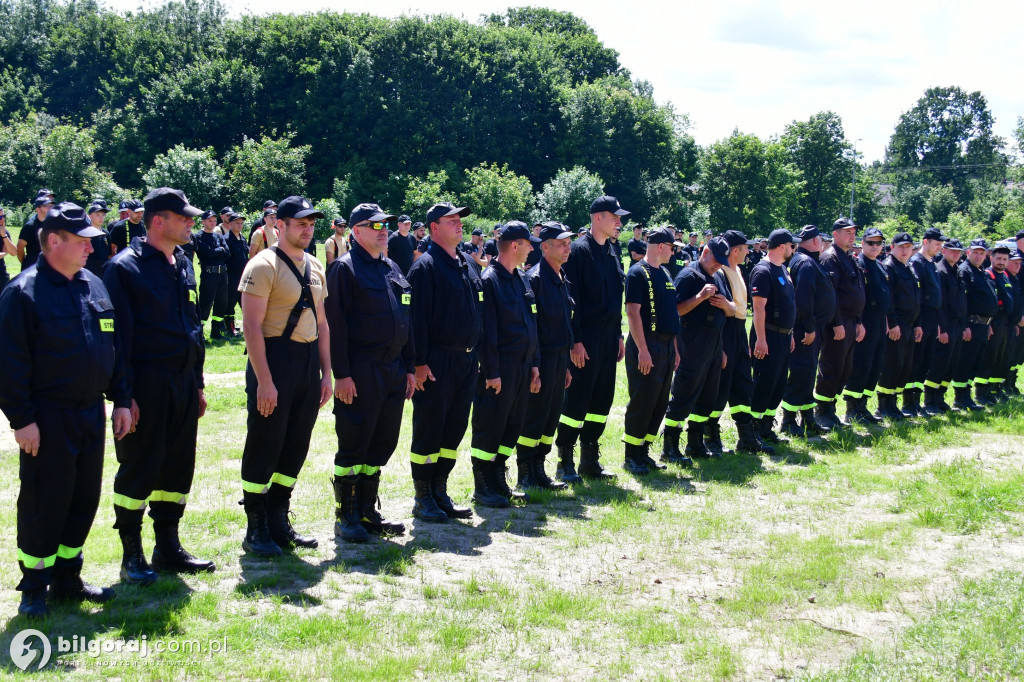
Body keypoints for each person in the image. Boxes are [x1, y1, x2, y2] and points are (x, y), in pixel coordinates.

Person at [0, 202, 133, 618]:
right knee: (45, 500)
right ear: (54, 241)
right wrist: (22, 421)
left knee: (82, 498)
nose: (92, 248)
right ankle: (34, 585)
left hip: (90, 413)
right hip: (47, 415)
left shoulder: (93, 284)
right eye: (83, 242)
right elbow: (10, 363)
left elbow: (113, 347)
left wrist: (123, 399)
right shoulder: (23, 293)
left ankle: (68, 577)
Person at [103, 188, 214, 584]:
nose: (191, 223)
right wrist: (123, 396)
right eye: (183, 217)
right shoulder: (124, 268)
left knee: (177, 465)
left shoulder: (182, 262)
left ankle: (167, 545)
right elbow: (119, 341)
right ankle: (131, 553)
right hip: (146, 384)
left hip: (182, 381)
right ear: (158, 221)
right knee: (140, 464)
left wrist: (197, 383)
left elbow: (192, 326)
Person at [237, 196, 330, 556]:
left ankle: (279, 518)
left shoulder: (315, 265)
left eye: (311, 224)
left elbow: (323, 323)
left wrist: (326, 374)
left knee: (295, 443)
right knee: (265, 441)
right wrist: (264, 380)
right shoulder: (263, 266)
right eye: (300, 223)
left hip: (307, 361)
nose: (307, 230)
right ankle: (256, 526)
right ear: (280, 225)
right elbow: (252, 327)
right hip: (275, 359)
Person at [325, 203, 414, 542]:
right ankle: (345, 514)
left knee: (382, 441)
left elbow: (406, 319)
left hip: (392, 368)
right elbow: (336, 326)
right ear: (355, 231)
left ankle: (366, 509)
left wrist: (408, 367)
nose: (382, 230)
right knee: (354, 439)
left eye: (384, 225)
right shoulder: (345, 269)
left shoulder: (391, 267)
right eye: (374, 226)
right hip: (361, 369)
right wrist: (342, 374)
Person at [407, 202, 481, 522]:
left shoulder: (467, 263)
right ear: (434, 227)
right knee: (430, 425)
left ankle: (440, 488)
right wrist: (419, 362)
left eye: (460, 220)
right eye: (451, 220)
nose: (459, 224)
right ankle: (423, 495)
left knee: (454, 428)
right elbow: (416, 320)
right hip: (436, 361)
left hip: (466, 360)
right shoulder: (425, 267)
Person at [556, 196, 628, 480]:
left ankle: (589, 459)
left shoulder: (611, 250)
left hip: (608, 338)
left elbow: (613, 298)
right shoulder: (578, 251)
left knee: (601, 400)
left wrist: (619, 335)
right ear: (597, 218)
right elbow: (572, 301)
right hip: (585, 339)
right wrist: (575, 340)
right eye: (615, 217)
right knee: (577, 399)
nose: (619, 222)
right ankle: (565, 460)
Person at [470, 221, 541, 507]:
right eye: (527, 244)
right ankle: (483, 484)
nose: (530, 250)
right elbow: (486, 333)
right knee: (490, 424)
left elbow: (531, 323)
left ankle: (498, 479)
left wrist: (535, 363)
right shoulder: (489, 280)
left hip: (523, 366)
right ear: (515, 245)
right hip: (500, 368)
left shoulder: (520, 278)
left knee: (511, 425)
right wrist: (492, 371)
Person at [662, 238, 732, 462]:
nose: (718, 265)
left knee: (707, 396)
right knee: (684, 394)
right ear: (705, 252)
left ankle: (695, 443)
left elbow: (724, 311)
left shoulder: (719, 276)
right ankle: (670, 445)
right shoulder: (688, 276)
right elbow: (674, 311)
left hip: (713, 344)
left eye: (722, 262)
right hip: (691, 343)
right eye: (716, 260)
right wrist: (700, 297)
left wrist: (720, 349)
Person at [517, 223, 574, 490]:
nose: (567, 248)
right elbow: (533, 327)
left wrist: (566, 365)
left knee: (551, 416)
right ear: (545, 247)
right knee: (535, 415)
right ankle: (525, 472)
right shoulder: (535, 278)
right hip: (543, 358)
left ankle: (539, 468)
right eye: (560, 243)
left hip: (560, 358)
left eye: (568, 243)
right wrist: (536, 365)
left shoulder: (562, 277)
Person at [622, 227, 681, 474]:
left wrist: (675, 348)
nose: (674, 251)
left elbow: (672, 313)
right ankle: (631, 455)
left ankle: (645, 451)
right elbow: (632, 312)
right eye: (672, 247)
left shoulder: (665, 272)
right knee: (643, 399)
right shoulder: (637, 273)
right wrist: (643, 349)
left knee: (659, 400)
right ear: (660, 246)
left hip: (666, 345)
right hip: (647, 344)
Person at [710, 230, 764, 454]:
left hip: (740, 328)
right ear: (735, 250)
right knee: (721, 383)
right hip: (726, 329)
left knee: (743, 381)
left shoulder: (739, 269)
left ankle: (746, 435)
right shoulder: (720, 272)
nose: (749, 251)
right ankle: (710, 435)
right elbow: (721, 308)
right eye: (745, 248)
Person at [781, 226, 835, 437]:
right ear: (815, 241)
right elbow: (804, 300)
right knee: (801, 373)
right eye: (821, 239)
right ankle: (788, 420)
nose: (823, 243)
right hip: (806, 331)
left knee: (807, 373)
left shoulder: (808, 261)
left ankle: (807, 418)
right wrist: (810, 327)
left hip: (812, 329)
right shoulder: (805, 262)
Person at [813, 217, 865, 429]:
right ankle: (822, 411)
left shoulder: (849, 257)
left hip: (851, 321)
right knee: (832, 366)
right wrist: (836, 322)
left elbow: (857, 291)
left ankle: (831, 408)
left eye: (853, 232)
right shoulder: (830, 257)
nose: (852, 236)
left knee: (844, 368)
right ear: (835, 234)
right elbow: (830, 294)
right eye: (847, 232)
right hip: (838, 322)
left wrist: (859, 321)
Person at [749, 229, 798, 447]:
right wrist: (760, 339)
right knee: (764, 383)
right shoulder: (763, 270)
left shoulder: (783, 269)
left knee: (778, 384)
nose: (794, 249)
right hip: (767, 336)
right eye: (791, 245)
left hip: (783, 336)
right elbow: (759, 308)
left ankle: (767, 426)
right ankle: (753, 429)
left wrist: (791, 333)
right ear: (781, 246)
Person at [843, 228, 891, 423]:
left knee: (874, 365)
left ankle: (863, 405)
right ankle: (852, 409)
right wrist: (858, 322)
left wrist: (887, 321)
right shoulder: (859, 264)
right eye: (871, 243)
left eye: (878, 243)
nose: (874, 246)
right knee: (861, 364)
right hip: (865, 322)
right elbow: (857, 297)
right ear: (862, 243)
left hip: (879, 322)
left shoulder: (879, 265)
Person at [875, 232, 921, 421]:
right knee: (892, 365)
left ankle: (893, 403)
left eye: (908, 247)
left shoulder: (908, 268)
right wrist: (892, 324)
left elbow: (916, 300)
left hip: (910, 324)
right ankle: (883, 406)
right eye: (901, 246)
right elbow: (888, 300)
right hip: (897, 324)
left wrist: (917, 324)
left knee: (904, 366)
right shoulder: (889, 268)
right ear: (892, 247)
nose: (905, 250)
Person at [904, 227, 947, 415]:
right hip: (921, 319)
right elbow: (918, 296)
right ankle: (908, 402)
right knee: (916, 360)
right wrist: (918, 323)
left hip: (932, 319)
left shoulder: (932, 263)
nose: (939, 247)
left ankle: (917, 400)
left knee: (925, 361)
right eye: (937, 244)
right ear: (926, 241)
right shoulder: (917, 262)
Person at [952, 240, 998, 410]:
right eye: (975, 252)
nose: (979, 256)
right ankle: (960, 397)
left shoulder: (981, 272)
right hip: (971, 324)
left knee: (975, 362)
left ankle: (967, 396)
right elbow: (963, 301)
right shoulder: (965, 271)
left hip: (983, 325)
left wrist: (989, 323)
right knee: (966, 361)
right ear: (968, 253)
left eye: (982, 253)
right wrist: (965, 325)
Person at [923, 238, 966, 414]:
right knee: (940, 363)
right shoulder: (941, 270)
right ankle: (930, 399)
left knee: (951, 363)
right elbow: (941, 303)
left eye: (959, 252)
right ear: (944, 251)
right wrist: (943, 327)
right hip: (946, 323)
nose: (956, 254)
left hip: (957, 324)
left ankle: (940, 397)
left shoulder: (956, 271)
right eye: (952, 250)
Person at [977, 244, 1014, 403]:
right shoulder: (988, 275)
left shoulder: (1004, 276)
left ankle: (993, 389)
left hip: (1005, 323)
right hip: (993, 322)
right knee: (988, 357)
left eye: (1005, 259)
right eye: (998, 258)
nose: (1001, 262)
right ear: (991, 258)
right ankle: (981, 393)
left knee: (1000, 357)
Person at [195, 207, 231, 340]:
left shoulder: (218, 236)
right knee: (205, 303)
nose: (213, 223)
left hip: (222, 274)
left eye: (214, 221)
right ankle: (200, 332)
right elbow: (207, 253)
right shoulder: (199, 236)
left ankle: (216, 331)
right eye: (210, 221)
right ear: (203, 222)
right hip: (209, 274)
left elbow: (227, 254)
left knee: (222, 303)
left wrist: (217, 251)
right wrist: (218, 250)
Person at [224, 211, 249, 337]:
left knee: (244, 302)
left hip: (243, 275)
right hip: (231, 275)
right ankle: (229, 327)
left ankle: (247, 327)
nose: (240, 225)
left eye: (241, 223)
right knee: (230, 302)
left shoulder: (242, 238)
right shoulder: (227, 239)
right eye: (237, 223)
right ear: (230, 224)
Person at [17, 193, 54, 271]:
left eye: (51, 206)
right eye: (46, 206)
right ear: (38, 209)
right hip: (31, 266)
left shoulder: (52, 224)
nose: (50, 208)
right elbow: (20, 248)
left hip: (48, 266)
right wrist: (25, 263)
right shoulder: (30, 226)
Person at [84, 200, 111, 277]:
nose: (101, 218)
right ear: (90, 215)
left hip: (103, 273)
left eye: (103, 215)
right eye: (98, 215)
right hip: (88, 273)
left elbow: (109, 254)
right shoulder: (85, 234)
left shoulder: (106, 233)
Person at [0, 206, 16, 289]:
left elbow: (13, 252)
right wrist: (5, 252)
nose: (2, 219)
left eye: (3, 216)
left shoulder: (4, 232)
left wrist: (4, 236)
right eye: (0, 217)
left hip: (1, 275)